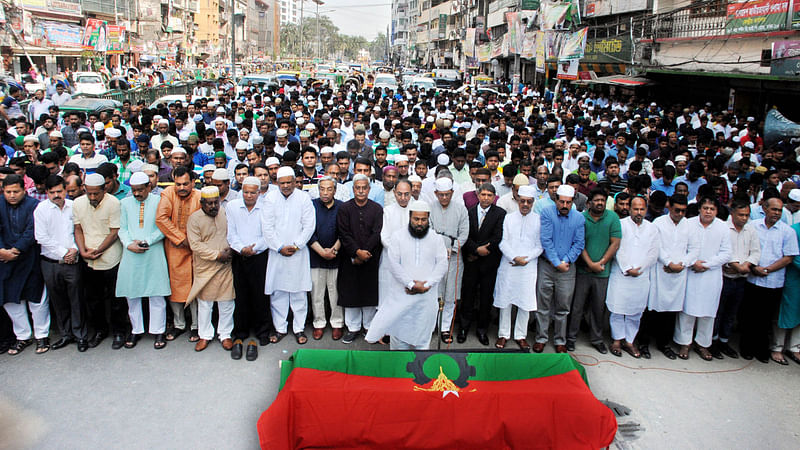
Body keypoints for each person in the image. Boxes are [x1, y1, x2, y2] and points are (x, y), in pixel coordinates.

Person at [365, 200, 448, 350]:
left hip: (426, 298)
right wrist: (411, 284)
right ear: (410, 217)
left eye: (423, 219)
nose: (419, 223)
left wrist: (426, 285)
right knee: (399, 342)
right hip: (402, 296)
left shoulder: (436, 239)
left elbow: (442, 264)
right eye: (416, 219)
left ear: (428, 219)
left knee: (422, 343)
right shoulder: (397, 237)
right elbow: (394, 265)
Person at [116, 171, 171, 349]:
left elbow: (163, 227)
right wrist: (128, 243)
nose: (137, 194)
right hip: (131, 251)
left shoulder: (159, 201)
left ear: (149, 187)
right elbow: (121, 228)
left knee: (156, 293)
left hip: (153, 250)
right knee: (132, 294)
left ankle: (158, 331)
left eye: (141, 190)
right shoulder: (124, 203)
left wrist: (148, 241)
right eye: (134, 190)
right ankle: (136, 330)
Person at [740, 197, 798, 363]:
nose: (776, 213)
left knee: (766, 318)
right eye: (773, 209)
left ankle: (761, 350)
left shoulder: (788, 231)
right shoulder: (752, 226)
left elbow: (788, 258)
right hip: (752, 278)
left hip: (774, 281)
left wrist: (768, 269)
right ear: (764, 208)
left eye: (779, 210)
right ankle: (746, 348)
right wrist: (753, 267)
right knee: (749, 316)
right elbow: (745, 248)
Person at [73, 173, 127, 349]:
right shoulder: (78, 203)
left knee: (116, 299)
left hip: (110, 256)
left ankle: (119, 332)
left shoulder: (113, 203)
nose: (92, 197)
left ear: (105, 189)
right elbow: (78, 229)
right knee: (92, 299)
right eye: (89, 193)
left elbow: (114, 232)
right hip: (88, 257)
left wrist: (99, 250)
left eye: (96, 193)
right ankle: (99, 331)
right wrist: (83, 251)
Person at [263, 166, 315, 344]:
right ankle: (280, 328)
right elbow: (267, 227)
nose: (285, 186)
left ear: (295, 182)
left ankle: (299, 329)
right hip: (277, 253)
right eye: (281, 182)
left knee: (299, 292)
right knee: (278, 293)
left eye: (288, 182)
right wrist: (279, 247)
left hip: (298, 253)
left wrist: (296, 245)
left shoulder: (304, 198)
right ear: (276, 182)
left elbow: (309, 225)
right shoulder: (269, 199)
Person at [34, 175, 88, 351]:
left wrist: (73, 250)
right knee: (59, 300)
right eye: (52, 192)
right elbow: (41, 237)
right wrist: (64, 253)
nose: (56, 195)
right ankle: (66, 334)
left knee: (77, 299)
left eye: (59, 191)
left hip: (73, 260)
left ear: (65, 190)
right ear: (47, 193)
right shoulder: (41, 209)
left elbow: (79, 231)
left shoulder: (74, 207)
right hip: (51, 261)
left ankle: (80, 335)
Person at [675, 197, 732, 361]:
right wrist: (693, 262)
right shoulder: (688, 223)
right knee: (687, 310)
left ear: (716, 211)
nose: (708, 211)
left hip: (711, 275)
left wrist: (706, 265)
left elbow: (727, 253)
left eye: (712, 209)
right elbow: (681, 246)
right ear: (699, 209)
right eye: (705, 208)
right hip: (690, 272)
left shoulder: (723, 227)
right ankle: (684, 342)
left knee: (708, 312)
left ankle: (703, 344)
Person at [567, 188, 621, 354]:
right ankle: (571, 338)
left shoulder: (612, 217)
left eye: (602, 200)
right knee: (577, 307)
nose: (600, 203)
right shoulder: (581, 218)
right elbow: (578, 242)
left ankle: (597, 339)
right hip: (583, 270)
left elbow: (615, 243)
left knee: (598, 308)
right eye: (596, 200)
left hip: (602, 272)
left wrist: (601, 262)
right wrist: (590, 263)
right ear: (589, 203)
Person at [606, 196, 659, 358]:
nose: (638, 212)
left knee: (635, 311)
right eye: (635, 209)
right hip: (621, 273)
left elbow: (654, 252)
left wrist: (640, 268)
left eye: (642, 209)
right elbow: (616, 248)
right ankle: (616, 339)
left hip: (641, 276)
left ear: (646, 209)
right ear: (629, 209)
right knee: (617, 308)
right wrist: (628, 268)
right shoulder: (620, 225)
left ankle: (629, 341)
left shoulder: (652, 228)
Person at [0, 175, 48, 354]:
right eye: (8, 192)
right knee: (11, 300)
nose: (12, 195)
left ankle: (42, 335)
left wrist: (16, 250)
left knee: (36, 298)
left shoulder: (34, 205)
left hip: (29, 258)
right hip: (5, 260)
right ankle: (22, 336)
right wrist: (2, 251)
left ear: (24, 190)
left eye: (16, 191)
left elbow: (32, 231)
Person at [535, 184, 585, 353]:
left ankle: (559, 340)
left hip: (567, 268)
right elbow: (546, 240)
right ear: (555, 200)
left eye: (568, 203)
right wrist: (556, 262)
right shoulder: (547, 213)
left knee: (563, 307)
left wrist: (566, 261)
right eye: (562, 202)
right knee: (543, 304)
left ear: (572, 202)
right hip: (547, 266)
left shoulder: (578, 218)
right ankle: (541, 338)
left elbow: (579, 243)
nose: (565, 206)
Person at [186, 186, 236, 352]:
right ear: (202, 204)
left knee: (227, 301)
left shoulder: (224, 213)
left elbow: (232, 233)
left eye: (216, 202)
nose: (214, 206)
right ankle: (205, 335)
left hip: (225, 265)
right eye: (209, 203)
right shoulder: (194, 219)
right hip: (205, 267)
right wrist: (216, 255)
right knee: (205, 303)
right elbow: (195, 245)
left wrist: (230, 249)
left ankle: (225, 334)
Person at [226, 176, 272, 358]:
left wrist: (255, 249)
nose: (249, 195)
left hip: (260, 256)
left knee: (260, 295)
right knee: (241, 295)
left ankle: (262, 332)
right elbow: (231, 233)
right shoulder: (232, 207)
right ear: (241, 191)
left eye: (253, 192)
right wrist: (241, 249)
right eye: (246, 192)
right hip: (240, 256)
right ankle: (241, 332)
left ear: (259, 193)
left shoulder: (267, 207)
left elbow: (268, 233)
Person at [493, 185, 542, 350]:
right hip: (509, 264)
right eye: (523, 201)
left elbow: (540, 246)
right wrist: (514, 257)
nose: (525, 204)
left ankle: (521, 335)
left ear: (533, 202)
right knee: (505, 300)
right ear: (518, 201)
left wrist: (525, 259)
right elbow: (503, 241)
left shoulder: (538, 220)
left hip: (528, 267)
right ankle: (503, 334)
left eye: (529, 201)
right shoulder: (509, 218)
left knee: (525, 302)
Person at [642, 194, 690, 360]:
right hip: (660, 270)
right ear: (669, 206)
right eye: (677, 210)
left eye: (684, 211)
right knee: (652, 309)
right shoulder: (659, 223)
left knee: (671, 311)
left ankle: (664, 344)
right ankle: (644, 343)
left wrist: (681, 264)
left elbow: (694, 249)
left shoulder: (688, 225)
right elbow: (656, 246)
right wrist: (669, 263)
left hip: (679, 273)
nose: (680, 214)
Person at [156, 166, 201, 342]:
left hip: (195, 248)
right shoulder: (168, 193)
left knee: (195, 287)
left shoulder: (199, 196)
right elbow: (161, 218)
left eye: (185, 184)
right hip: (174, 247)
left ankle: (196, 326)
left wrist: (193, 242)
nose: (181, 188)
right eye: (178, 184)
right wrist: (180, 238)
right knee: (174, 287)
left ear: (193, 183)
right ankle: (179, 324)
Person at [337, 174, 383, 344]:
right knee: (351, 294)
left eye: (364, 188)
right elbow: (344, 233)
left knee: (369, 294)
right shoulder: (344, 209)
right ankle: (353, 328)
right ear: (353, 189)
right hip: (350, 258)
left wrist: (365, 253)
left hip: (370, 257)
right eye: (358, 188)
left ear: (369, 189)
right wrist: (356, 252)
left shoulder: (377, 209)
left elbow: (377, 232)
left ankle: (369, 327)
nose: (361, 191)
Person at [711, 200, 760, 359]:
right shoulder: (723, 228)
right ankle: (713, 342)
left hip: (741, 278)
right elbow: (721, 250)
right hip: (725, 276)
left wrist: (746, 265)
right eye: (741, 215)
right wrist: (735, 265)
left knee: (732, 312)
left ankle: (724, 341)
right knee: (718, 311)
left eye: (747, 215)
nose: (744, 218)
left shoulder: (751, 230)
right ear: (732, 213)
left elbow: (756, 252)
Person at [458, 183, 505, 345]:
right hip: (471, 260)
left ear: (494, 197)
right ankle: (463, 328)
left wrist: (485, 250)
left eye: (489, 195)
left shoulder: (500, 213)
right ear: (477, 195)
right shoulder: (468, 212)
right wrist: (476, 250)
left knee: (486, 298)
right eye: (483, 194)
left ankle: (482, 330)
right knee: (468, 296)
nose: (485, 198)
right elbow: (465, 235)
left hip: (489, 263)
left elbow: (498, 236)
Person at [428, 177, 469, 343]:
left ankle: (445, 329)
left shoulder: (461, 209)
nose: (444, 198)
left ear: (452, 193)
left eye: (447, 194)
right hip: (433, 259)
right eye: (441, 195)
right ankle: (431, 326)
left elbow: (464, 233)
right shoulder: (429, 209)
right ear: (436, 193)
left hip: (454, 259)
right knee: (432, 294)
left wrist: (452, 249)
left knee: (450, 295)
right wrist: (438, 250)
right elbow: (428, 231)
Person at [308, 176, 344, 340]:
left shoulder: (342, 207)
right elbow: (308, 231)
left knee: (335, 292)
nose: (325, 192)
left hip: (336, 256)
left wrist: (334, 250)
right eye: (322, 188)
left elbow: (345, 232)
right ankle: (319, 323)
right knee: (317, 293)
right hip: (316, 256)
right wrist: (321, 251)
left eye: (329, 189)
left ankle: (337, 323)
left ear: (335, 190)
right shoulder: (311, 206)